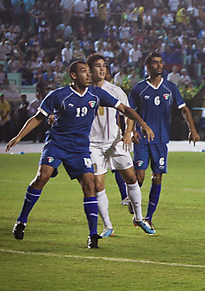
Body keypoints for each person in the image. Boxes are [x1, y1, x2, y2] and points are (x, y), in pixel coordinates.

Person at [6, 60, 154, 248]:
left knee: (89, 185)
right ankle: (21, 221)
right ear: (74, 76)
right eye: (84, 71)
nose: (88, 75)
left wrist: (143, 124)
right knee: (42, 176)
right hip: (57, 144)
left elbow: (124, 109)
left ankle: (93, 235)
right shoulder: (59, 95)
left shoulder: (97, 94)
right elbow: (38, 118)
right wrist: (18, 138)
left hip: (80, 148)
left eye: (88, 72)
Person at [128, 52, 200, 230]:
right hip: (142, 139)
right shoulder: (139, 89)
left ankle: (149, 217)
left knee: (157, 176)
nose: (159, 66)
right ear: (147, 67)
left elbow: (184, 109)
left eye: (161, 63)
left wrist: (192, 129)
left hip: (161, 139)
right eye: (155, 63)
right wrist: (129, 131)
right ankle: (134, 202)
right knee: (139, 176)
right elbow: (129, 112)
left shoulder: (170, 88)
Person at [86, 53, 155, 237]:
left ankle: (139, 218)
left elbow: (128, 113)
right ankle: (108, 226)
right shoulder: (84, 92)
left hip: (115, 142)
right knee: (98, 186)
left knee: (132, 179)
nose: (102, 69)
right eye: (98, 66)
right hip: (93, 145)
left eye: (104, 66)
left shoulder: (115, 90)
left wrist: (128, 133)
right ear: (90, 70)